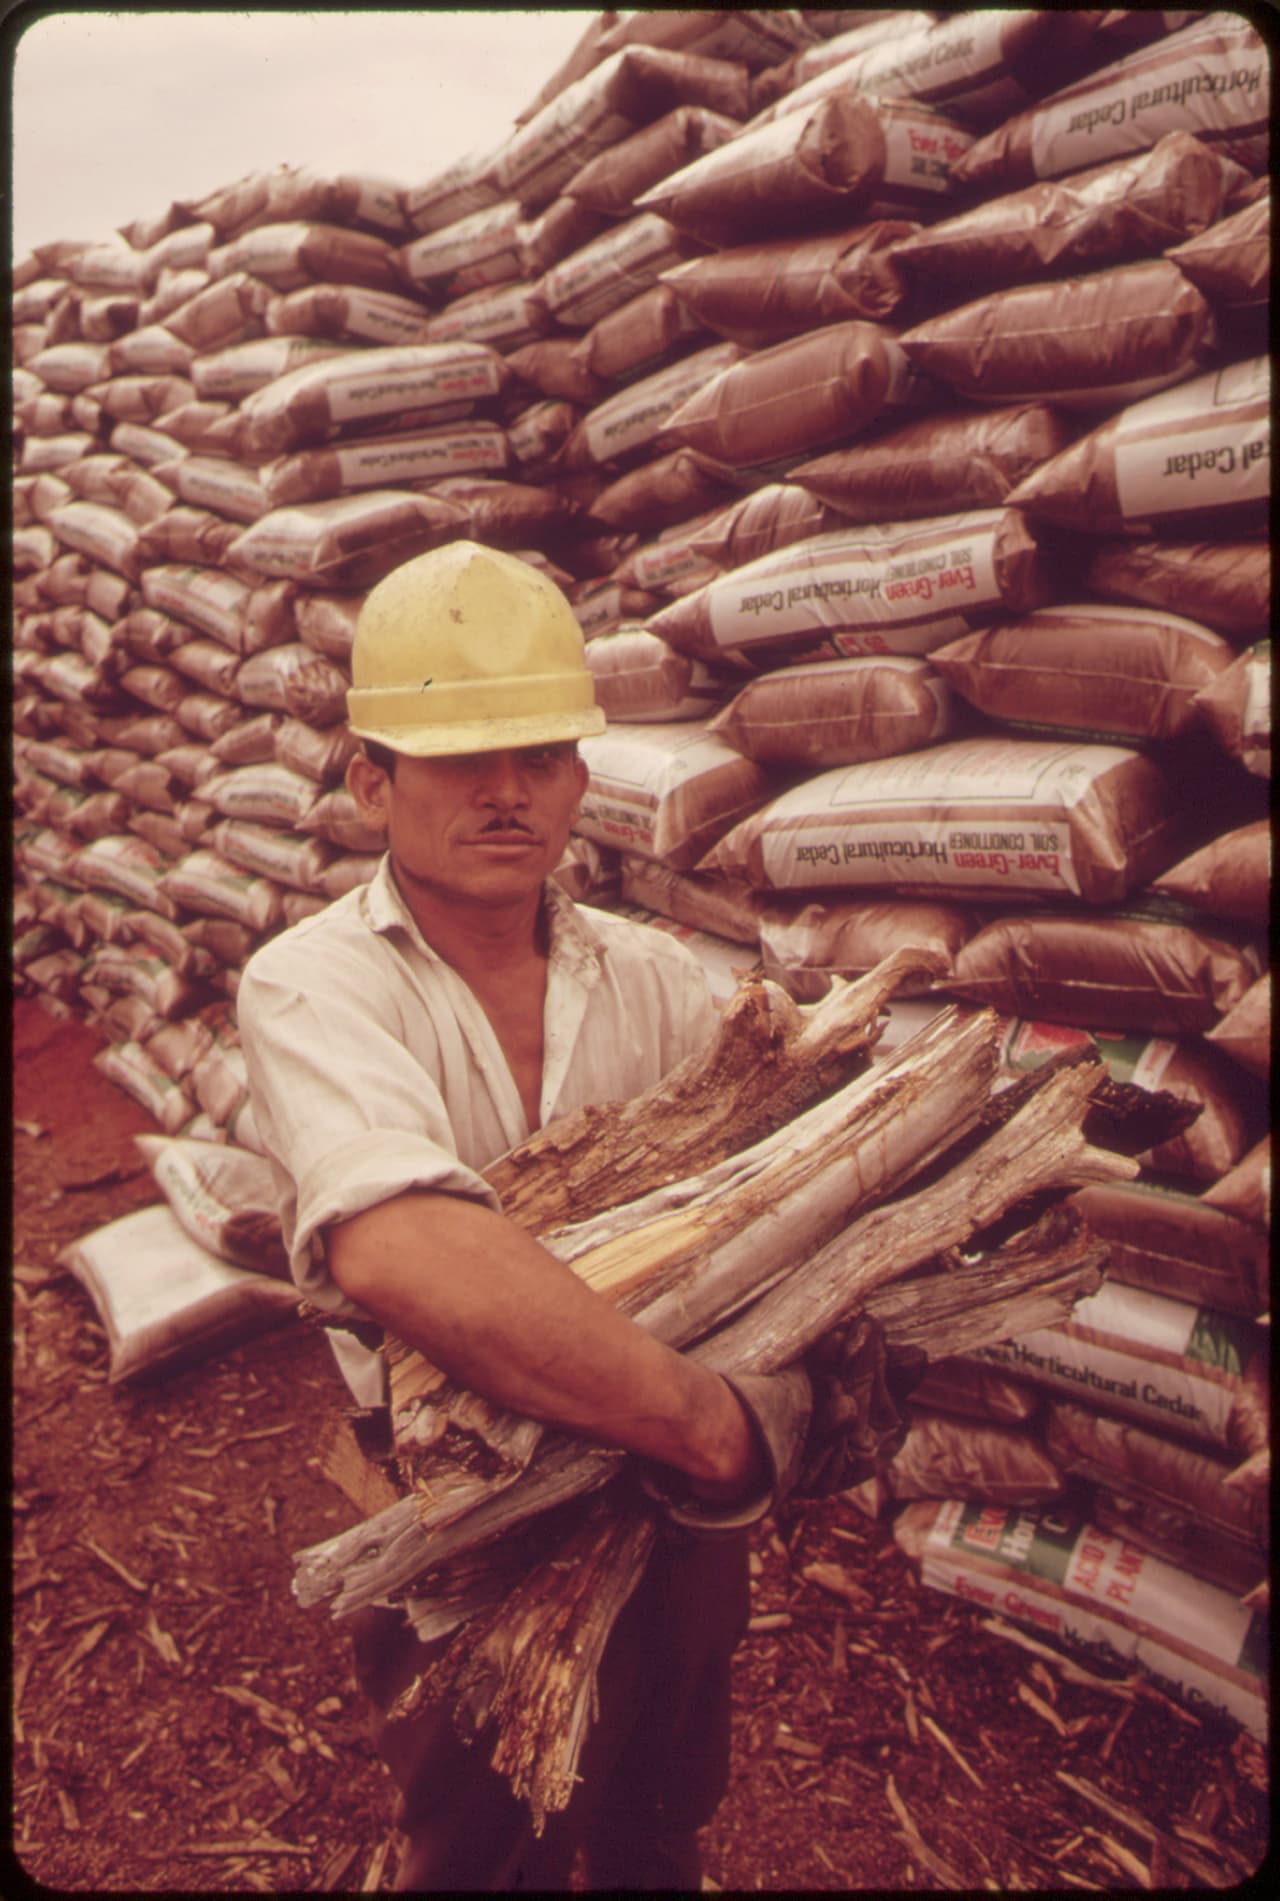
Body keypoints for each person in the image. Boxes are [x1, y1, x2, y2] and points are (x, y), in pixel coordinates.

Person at [236, 540, 910, 1891]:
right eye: (461, 757)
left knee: (664, 1802)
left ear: (581, 778)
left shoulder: (658, 980)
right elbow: (401, 1244)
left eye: (541, 754)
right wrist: (711, 1425)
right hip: (467, 1506)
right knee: (489, 1844)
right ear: (372, 779)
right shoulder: (312, 988)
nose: (508, 789)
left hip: (666, 1517)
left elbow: (776, 1197)